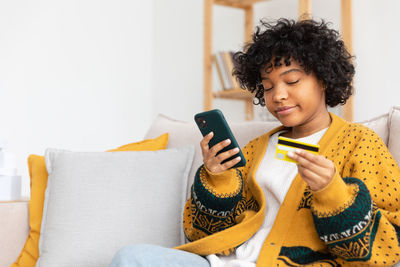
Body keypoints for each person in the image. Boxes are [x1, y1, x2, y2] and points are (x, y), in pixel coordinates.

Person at [111, 18, 400, 267]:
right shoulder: (254, 150)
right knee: (132, 257)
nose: (278, 95)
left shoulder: (361, 143)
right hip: (225, 262)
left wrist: (333, 193)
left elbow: (387, 248)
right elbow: (201, 235)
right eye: (268, 86)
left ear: (323, 79)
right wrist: (218, 180)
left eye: (292, 81)